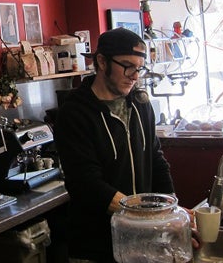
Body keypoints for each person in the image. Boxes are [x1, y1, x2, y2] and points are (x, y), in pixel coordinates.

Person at [54, 28, 197, 263]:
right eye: (128, 66)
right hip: (96, 247)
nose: (134, 75)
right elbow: (86, 183)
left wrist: (172, 211)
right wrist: (154, 218)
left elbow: (156, 158)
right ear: (101, 61)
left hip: (144, 241)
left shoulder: (140, 104)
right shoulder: (75, 113)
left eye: (139, 68)